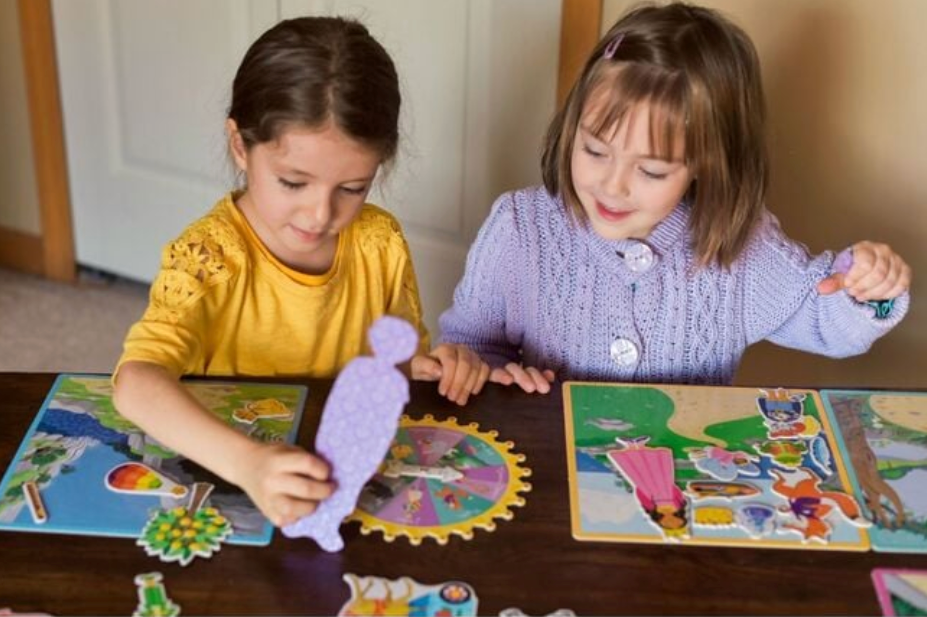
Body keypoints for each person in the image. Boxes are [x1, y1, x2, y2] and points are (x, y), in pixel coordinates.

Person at [113, 16, 493, 528]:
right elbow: (136, 383)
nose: (320, 215)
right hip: (231, 479)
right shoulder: (207, 257)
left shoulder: (380, 242)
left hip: (342, 481)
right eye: (293, 182)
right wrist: (247, 464)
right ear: (239, 146)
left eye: (353, 188)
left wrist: (435, 365)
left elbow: (400, 363)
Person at [439, 2, 911, 394]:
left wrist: (871, 287)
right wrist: (487, 372)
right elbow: (471, 345)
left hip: (681, 486)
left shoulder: (740, 249)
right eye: (594, 149)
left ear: (706, 161)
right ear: (571, 127)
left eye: (651, 169)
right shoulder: (519, 228)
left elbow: (827, 319)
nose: (613, 184)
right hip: (551, 475)